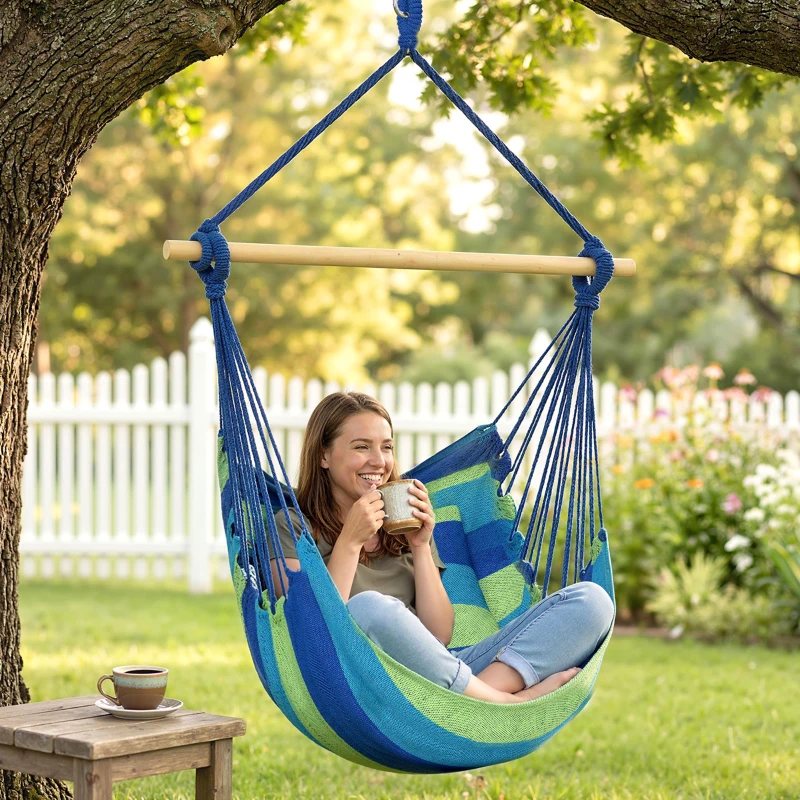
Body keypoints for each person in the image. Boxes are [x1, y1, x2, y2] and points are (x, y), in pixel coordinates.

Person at [270, 392, 614, 704]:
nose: (379, 461)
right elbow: (310, 625)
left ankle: (478, 697)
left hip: (439, 676)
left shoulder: (401, 526)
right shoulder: (291, 528)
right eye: (361, 447)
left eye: (387, 447)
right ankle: (502, 702)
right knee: (369, 608)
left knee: (592, 602)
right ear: (324, 456)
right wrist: (350, 541)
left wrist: (420, 546)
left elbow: (437, 636)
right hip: (365, 685)